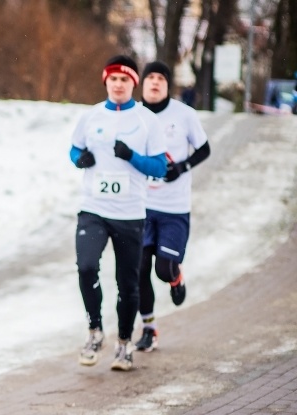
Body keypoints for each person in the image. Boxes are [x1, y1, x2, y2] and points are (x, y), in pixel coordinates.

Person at [69, 55, 168, 371]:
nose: (118, 84)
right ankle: (95, 331)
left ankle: (124, 343)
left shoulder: (146, 120)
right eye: (113, 79)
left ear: (133, 84)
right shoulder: (91, 116)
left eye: (124, 79)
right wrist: (79, 159)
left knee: (128, 283)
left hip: (129, 213)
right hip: (93, 209)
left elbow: (160, 167)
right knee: (86, 267)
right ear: (106, 82)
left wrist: (132, 156)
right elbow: (74, 149)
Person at [135, 61, 210, 352]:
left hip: (174, 207)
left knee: (163, 269)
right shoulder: (133, 115)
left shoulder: (184, 115)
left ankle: (175, 279)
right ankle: (149, 329)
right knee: (140, 268)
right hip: (140, 207)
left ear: (168, 85)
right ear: (142, 84)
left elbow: (204, 149)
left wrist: (182, 166)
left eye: (161, 78)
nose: (155, 82)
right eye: (150, 77)